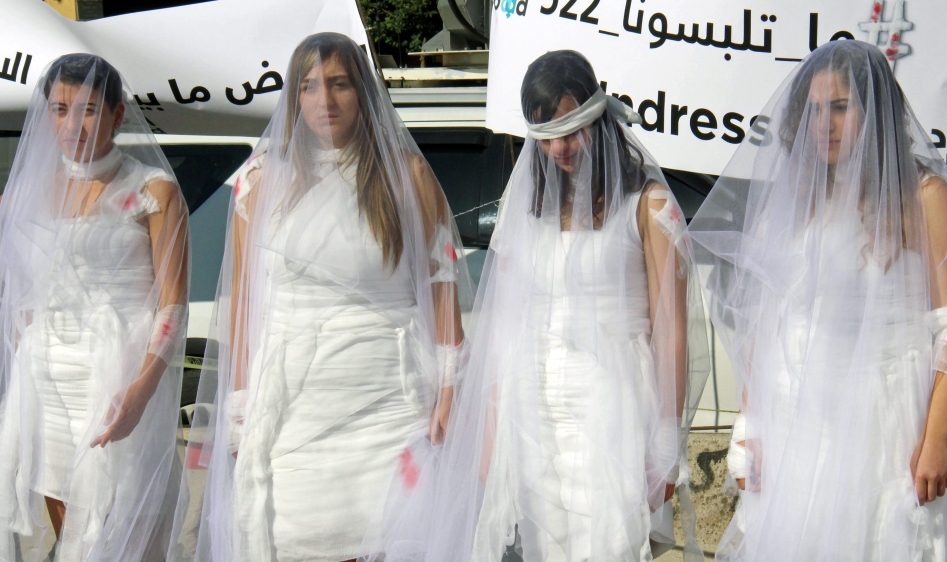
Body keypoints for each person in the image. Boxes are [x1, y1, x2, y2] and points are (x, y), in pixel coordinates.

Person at [364, 50, 709, 562]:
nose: (561, 148)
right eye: (547, 137)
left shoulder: (649, 205)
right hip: (534, 409)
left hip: (612, 406)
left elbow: (671, 328)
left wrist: (664, 444)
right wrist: (488, 435)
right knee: (543, 544)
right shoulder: (526, 213)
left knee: (609, 544)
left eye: (571, 130)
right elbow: (504, 327)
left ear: (598, 118)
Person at [170, 32, 472, 562]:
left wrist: (450, 387)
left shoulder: (407, 177)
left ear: (363, 91)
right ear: (294, 98)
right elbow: (243, 305)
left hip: (389, 401)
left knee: (390, 539)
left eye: (338, 84)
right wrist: (238, 409)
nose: (324, 101)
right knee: (293, 538)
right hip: (293, 405)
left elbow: (443, 287)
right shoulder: (261, 183)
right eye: (309, 87)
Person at [688, 40, 947, 561]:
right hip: (798, 419)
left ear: (876, 112)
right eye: (814, 110)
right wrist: (750, 427)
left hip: (883, 424)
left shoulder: (925, 197)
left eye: (840, 107)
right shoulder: (801, 199)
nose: (823, 123)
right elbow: (770, 321)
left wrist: (936, 439)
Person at [0, 54, 190, 562]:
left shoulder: (153, 190)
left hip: (120, 377)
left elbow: (173, 303)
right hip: (49, 381)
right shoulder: (26, 194)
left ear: (116, 113)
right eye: (60, 109)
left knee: (130, 520)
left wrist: (141, 391)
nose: (71, 124)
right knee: (71, 531)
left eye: (87, 109)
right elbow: (21, 294)